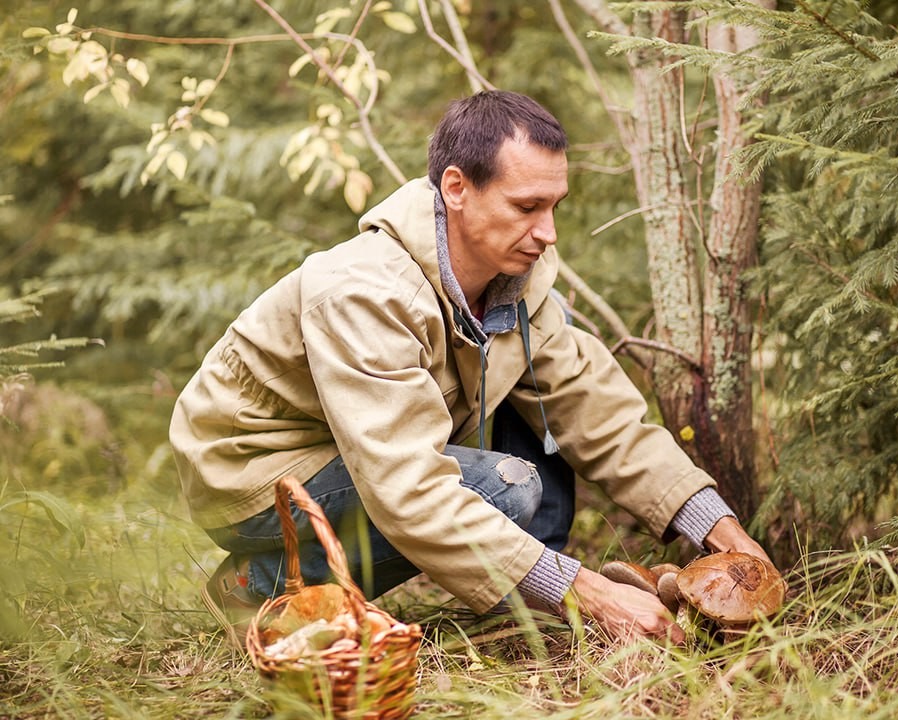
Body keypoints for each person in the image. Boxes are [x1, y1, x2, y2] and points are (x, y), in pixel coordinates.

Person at [169, 90, 772, 649]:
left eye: (555, 206)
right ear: (456, 188)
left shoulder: (513, 281)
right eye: (527, 206)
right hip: (251, 471)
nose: (547, 233)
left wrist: (716, 526)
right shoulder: (363, 291)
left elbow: (591, 406)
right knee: (504, 488)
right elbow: (408, 488)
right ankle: (263, 585)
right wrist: (588, 589)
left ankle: (531, 598)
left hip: (353, 448)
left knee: (533, 397)